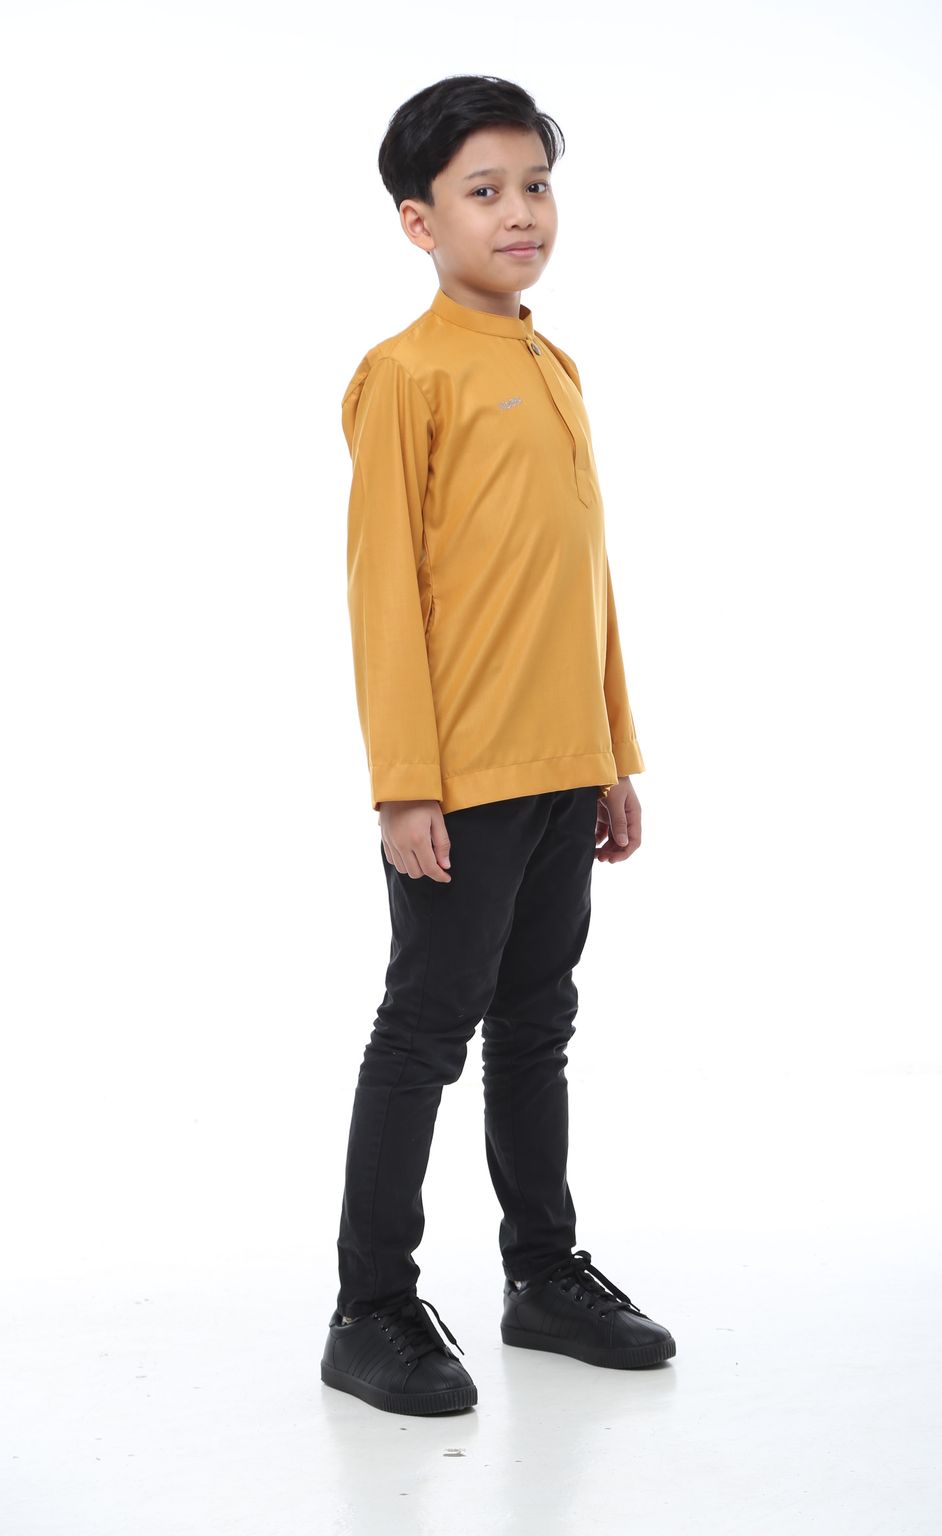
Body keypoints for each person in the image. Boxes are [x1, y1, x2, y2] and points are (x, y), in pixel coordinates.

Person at [320, 73, 675, 1417]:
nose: (521, 212)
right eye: (485, 191)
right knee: (424, 1031)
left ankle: (543, 1275)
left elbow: (585, 579)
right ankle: (368, 1309)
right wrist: (405, 786)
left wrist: (611, 750)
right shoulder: (404, 376)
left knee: (539, 1024)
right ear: (420, 223)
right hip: (460, 780)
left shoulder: (551, 363)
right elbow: (382, 597)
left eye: (536, 184)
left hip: (560, 767)